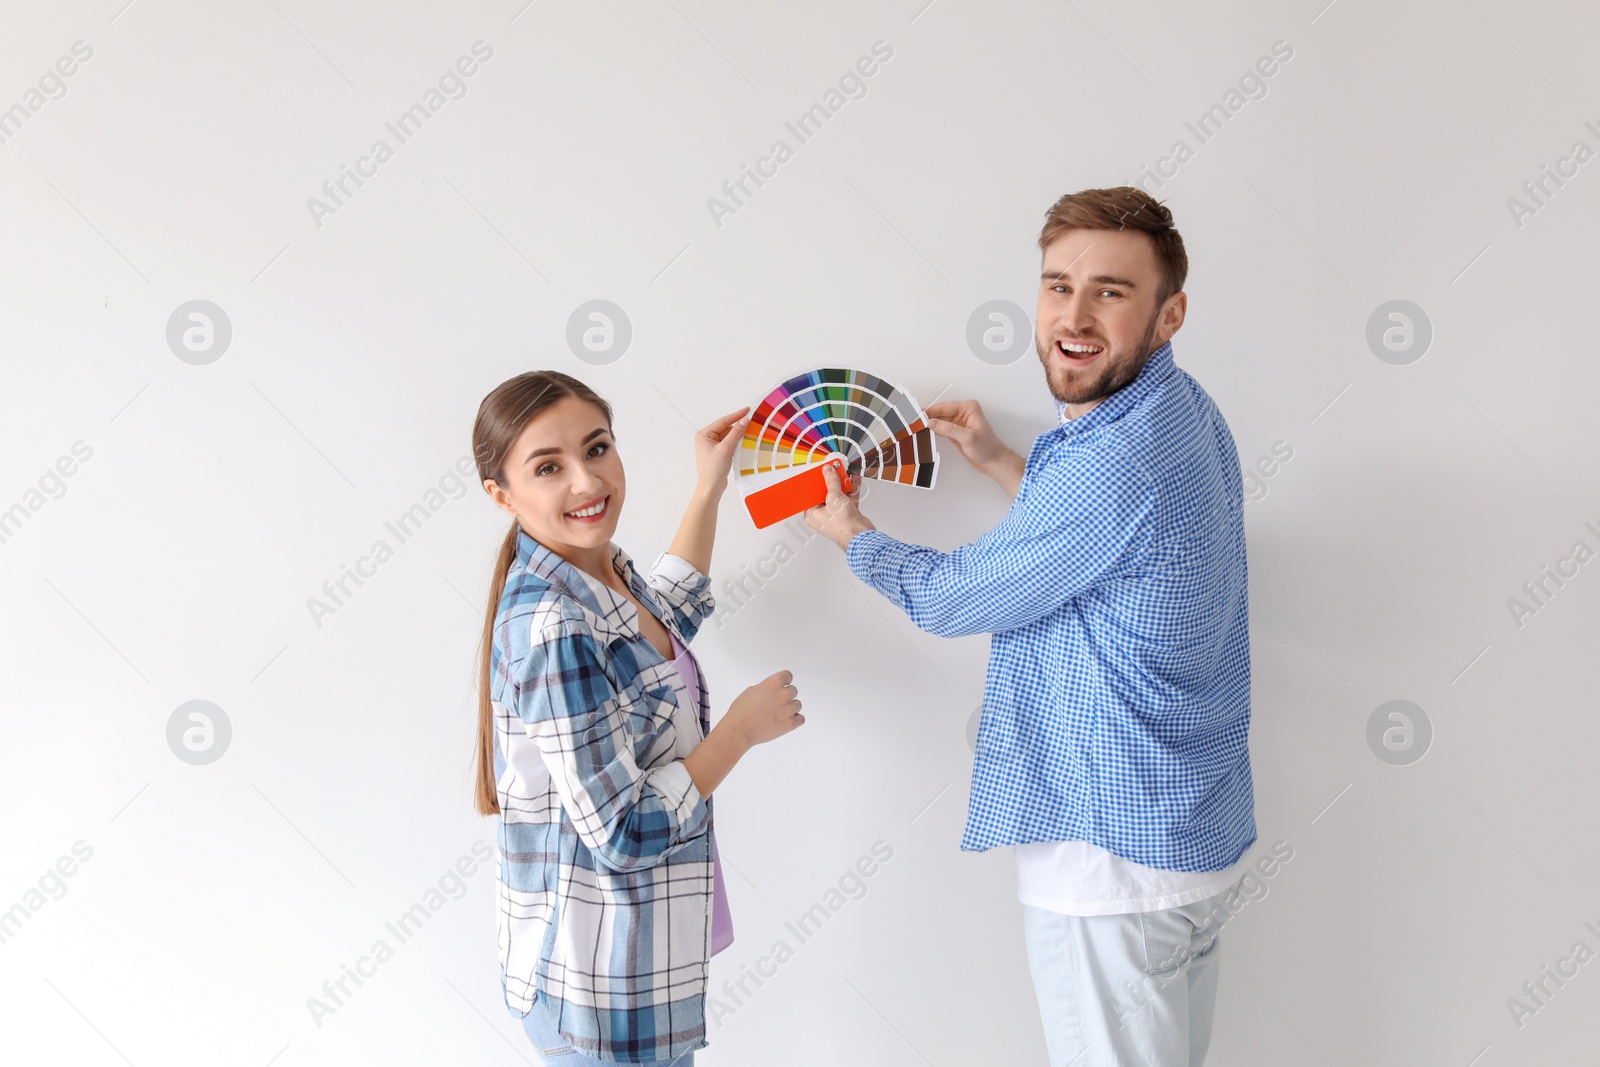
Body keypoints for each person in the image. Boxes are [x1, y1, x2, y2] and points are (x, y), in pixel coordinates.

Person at [805, 187, 1257, 1066]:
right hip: (1188, 845)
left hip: (1110, 864)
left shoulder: (1112, 459)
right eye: (1057, 286)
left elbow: (952, 598)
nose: (1073, 316)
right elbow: (1117, 545)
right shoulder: (1183, 414)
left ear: (1170, 315)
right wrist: (1007, 462)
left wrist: (852, 535)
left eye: (1111, 292)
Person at [470, 370, 805, 1065]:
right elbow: (621, 831)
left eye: (596, 449)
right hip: (597, 990)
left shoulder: (601, 572)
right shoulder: (554, 624)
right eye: (548, 467)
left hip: (641, 965)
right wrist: (739, 730)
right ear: (500, 494)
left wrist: (709, 486)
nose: (587, 482)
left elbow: (666, 619)